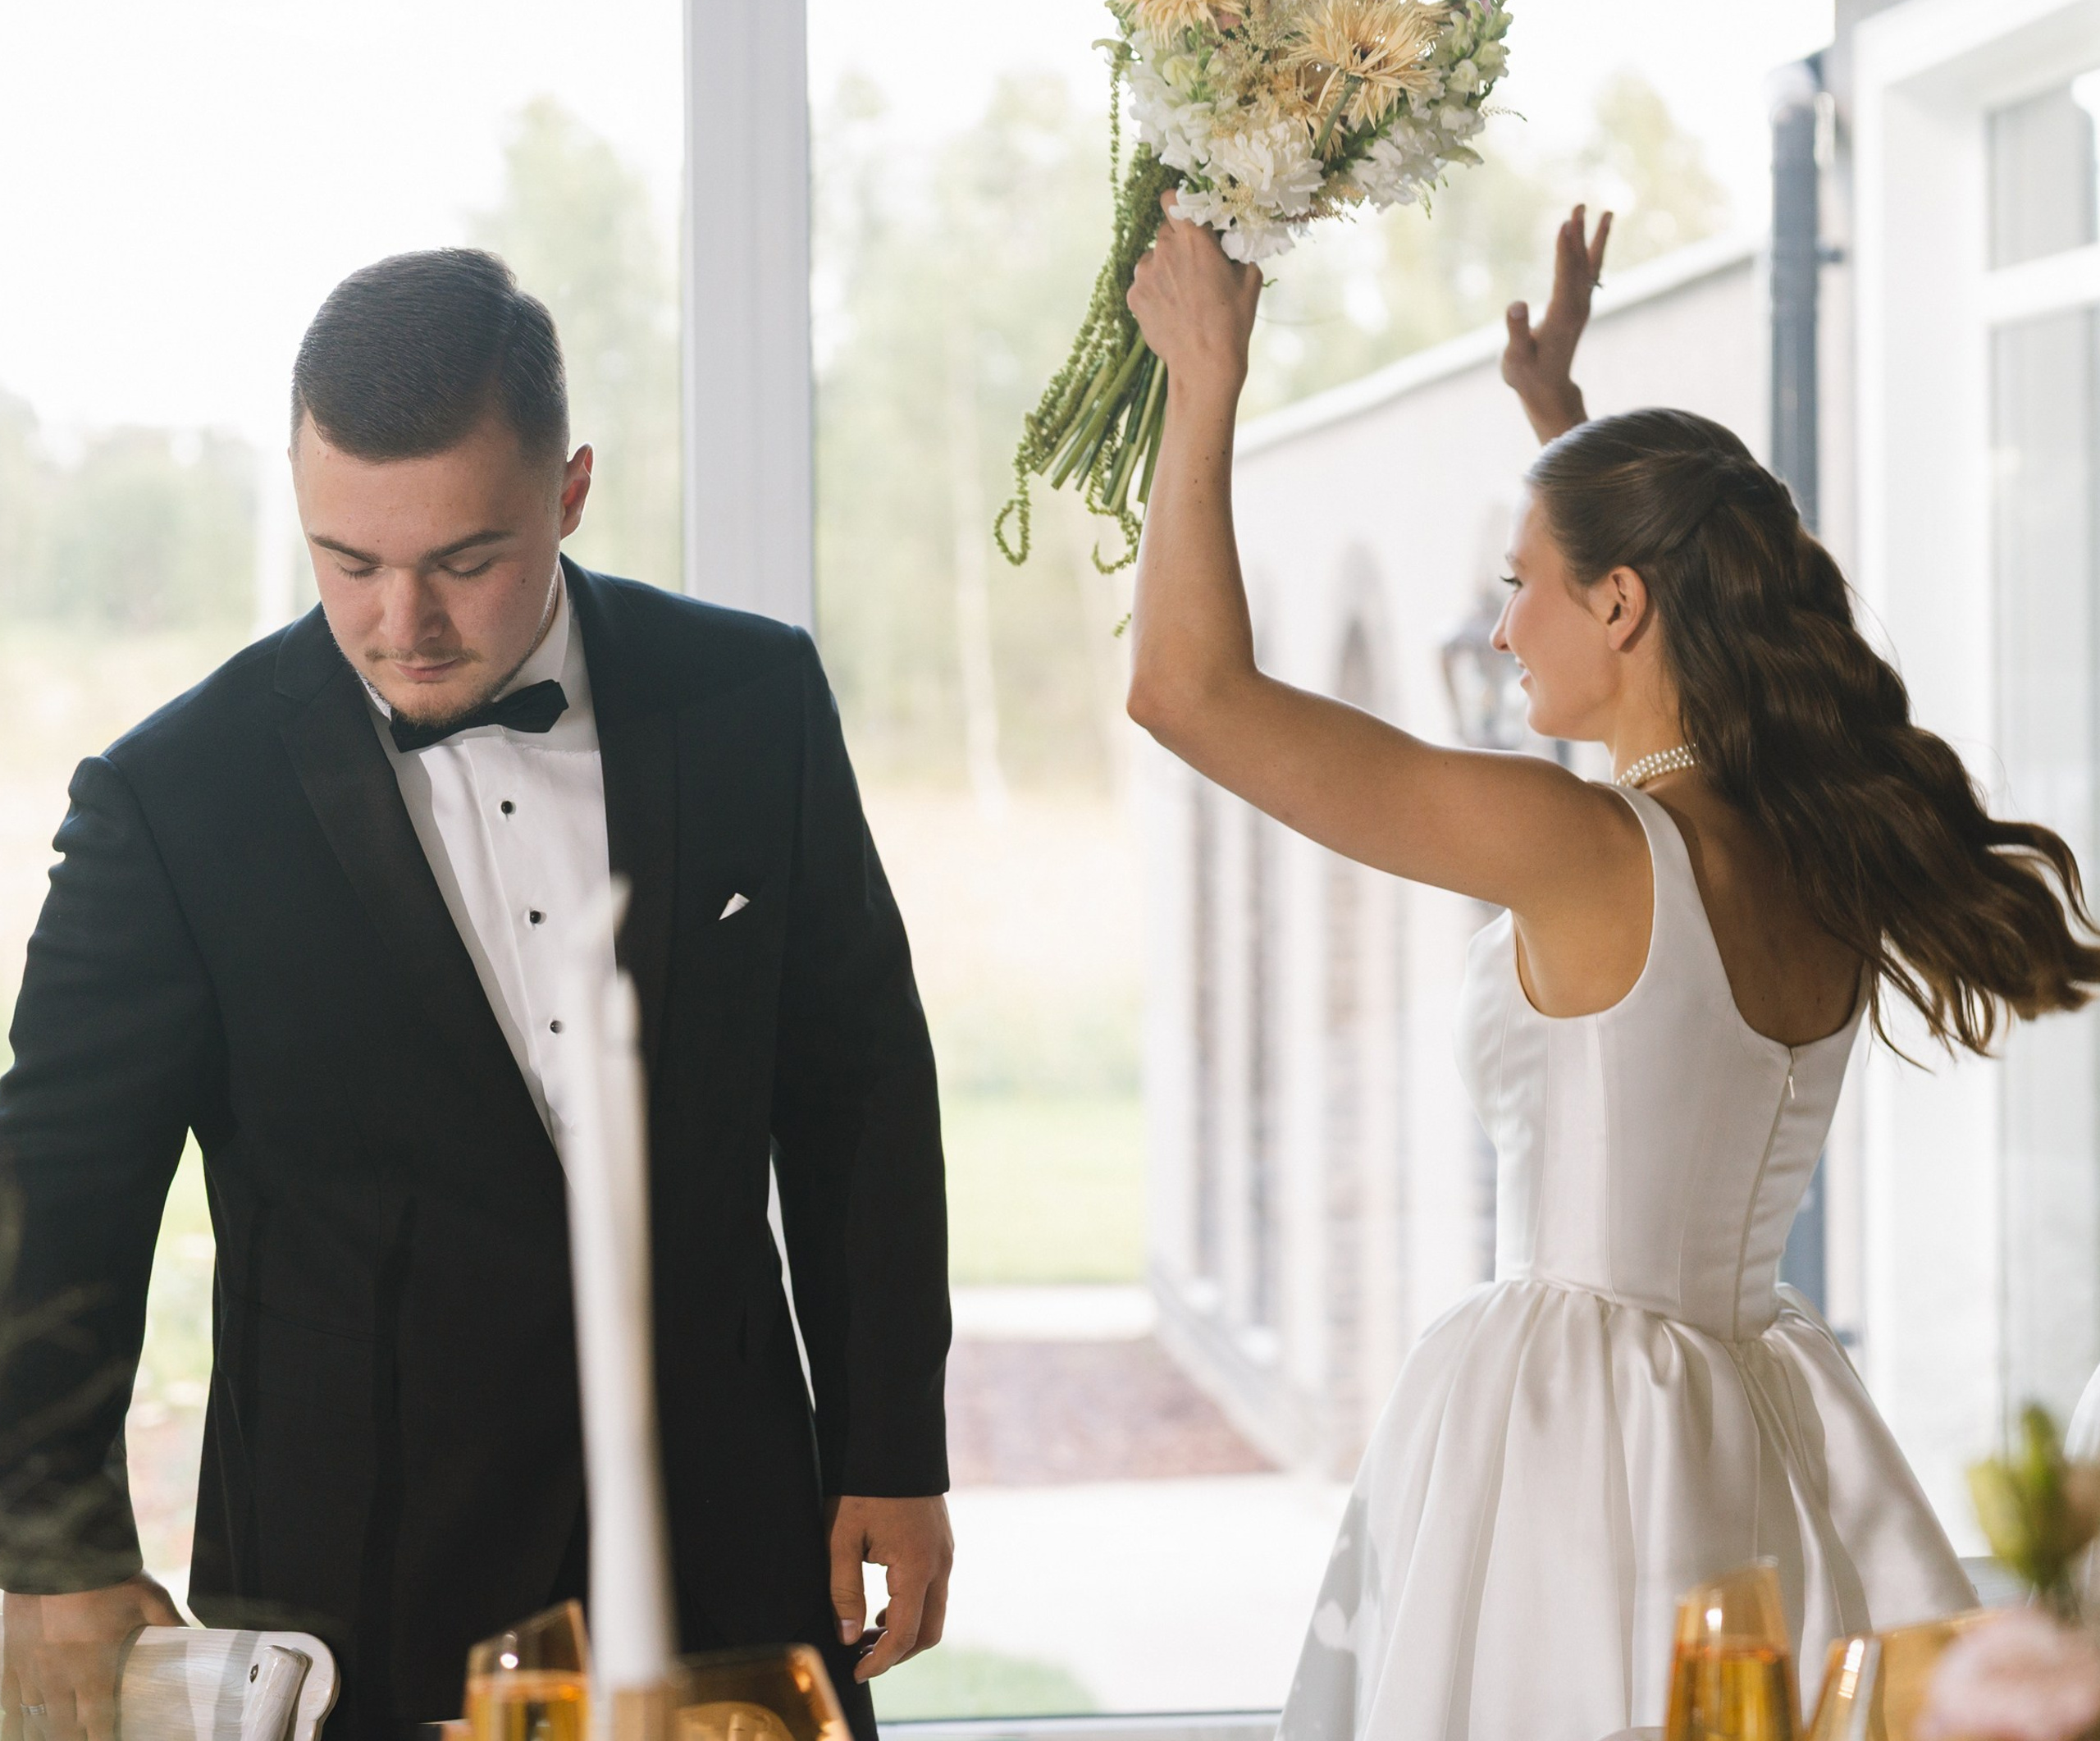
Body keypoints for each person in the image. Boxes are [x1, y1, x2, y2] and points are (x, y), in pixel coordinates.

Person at [1122, 199, 2100, 1738]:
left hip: (1570, 1443)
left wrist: (1205, 385)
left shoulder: (1585, 850)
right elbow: (1658, 600)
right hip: (1754, 1426)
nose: (1501, 627)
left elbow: (1188, 694)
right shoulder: (1811, 845)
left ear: (1626, 603)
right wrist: (1560, 422)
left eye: (1522, 583)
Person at [0, 250, 952, 1741]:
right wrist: (53, 1556)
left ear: (569, 490)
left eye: (463, 561)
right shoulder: (172, 801)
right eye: (348, 562)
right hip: (359, 1586)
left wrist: (891, 1443)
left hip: (733, 1543)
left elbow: (858, 1088)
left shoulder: (752, 700)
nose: (401, 623)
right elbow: (55, 1196)